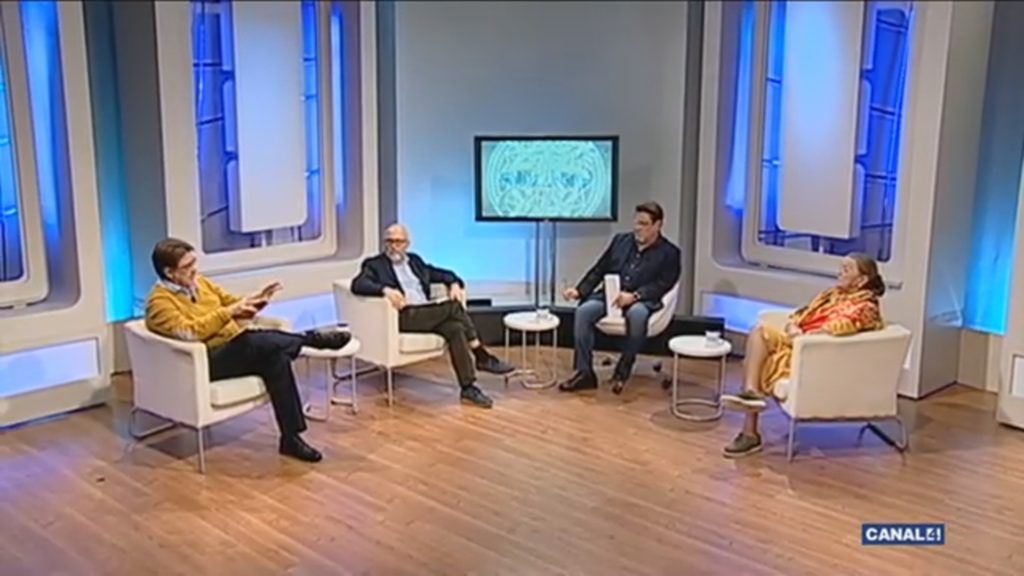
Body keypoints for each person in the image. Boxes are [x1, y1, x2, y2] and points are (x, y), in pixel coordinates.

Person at [144, 238, 352, 463]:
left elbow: (232, 303)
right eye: (187, 266)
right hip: (204, 360)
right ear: (170, 272)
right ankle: (310, 340)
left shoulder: (201, 283)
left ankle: (291, 439)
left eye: (194, 262)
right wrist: (228, 313)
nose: (195, 269)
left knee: (276, 358)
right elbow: (190, 332)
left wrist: (258, 300)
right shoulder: (159, 303)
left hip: (234, 347)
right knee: (253, 341)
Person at [721, 253, 888, 458]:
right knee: (758, 332)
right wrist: (793, 326)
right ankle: (751, 392)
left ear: (861, 280)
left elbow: (837, 329)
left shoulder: (866, 308)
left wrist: (804, 337)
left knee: (756, 361)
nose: (839, 274)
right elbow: (800, 314)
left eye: (846, 270)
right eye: (841, 268)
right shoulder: (831, 294)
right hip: (796, 340)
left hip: (816, 355)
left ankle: (750, 431)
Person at [350, 224, 515, 408]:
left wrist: (454, 282)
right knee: (454, 307)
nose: (394, 246)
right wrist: (385, 290)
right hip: (404, 316)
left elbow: (442, 273)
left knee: (455, 328)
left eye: (398, 242)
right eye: (389, 241)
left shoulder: (415, 262)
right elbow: (358, 284)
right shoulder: (374, 264)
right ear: (384, 243)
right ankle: (481, 355)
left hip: (425, 313)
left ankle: (468, 387)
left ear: (407, 244)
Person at [558, 201, 682, 395]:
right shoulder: (620, 241)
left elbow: (663, 284)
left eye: (644, 224)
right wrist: (579, 291)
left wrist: (635, 296)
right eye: (636, 222)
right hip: (611, 296)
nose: (637, 228)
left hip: (641, 299)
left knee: (637, 315)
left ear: (657, 225)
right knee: (583, 311)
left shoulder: (670, 253)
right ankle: (585, 373)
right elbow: (599, 269)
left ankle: (622, 371)